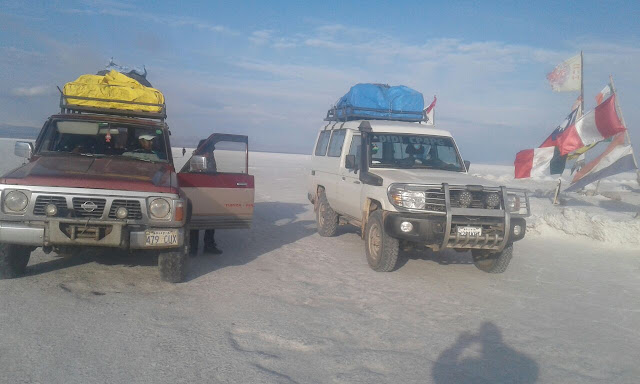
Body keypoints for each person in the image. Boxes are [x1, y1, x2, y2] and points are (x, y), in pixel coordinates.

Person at [189, 142, 221, 255]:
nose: (211, 153)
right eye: (209, 151)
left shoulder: (211, 159)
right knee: (195, 222)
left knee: (211, 222)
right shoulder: (197, 159)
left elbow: (214, 174)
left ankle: (209, 246)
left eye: (212, 151)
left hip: (209, 193)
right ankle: (192, 248)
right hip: (198, 193)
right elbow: (197, 176)